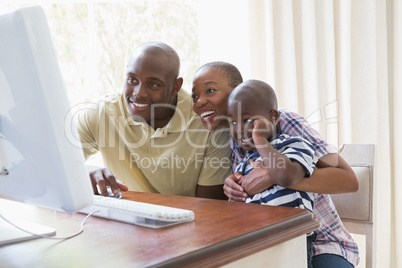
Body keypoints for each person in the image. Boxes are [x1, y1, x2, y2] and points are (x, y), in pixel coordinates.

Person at [191, 61, 359, 267]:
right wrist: (233, 188)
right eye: (195, 96)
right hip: (266, 244)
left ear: (238, 91)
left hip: (320, 241)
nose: (199, 102)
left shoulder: (284, 121)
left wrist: (273, 174)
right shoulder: (229, 137)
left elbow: (348, 180)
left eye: (210, 90)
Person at [75, 41, 231, 200]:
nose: (139, 93)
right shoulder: (101, 112)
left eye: (153, 84)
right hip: (125, 220)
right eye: (132, 80)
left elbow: (210, 209)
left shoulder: (207, 123)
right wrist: (83, 171)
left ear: (175, 87)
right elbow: (53, 166)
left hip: (186, 222)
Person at [228, 79, 318, 267]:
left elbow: (287, 176)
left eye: (248, 120)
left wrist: (259, 138)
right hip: (256, 241)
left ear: (273, 117)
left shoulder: (294, 145)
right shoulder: (244, 163)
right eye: (233, 122)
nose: (239, 129)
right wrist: (233, 192)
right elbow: (237, 209)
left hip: (292, 239)